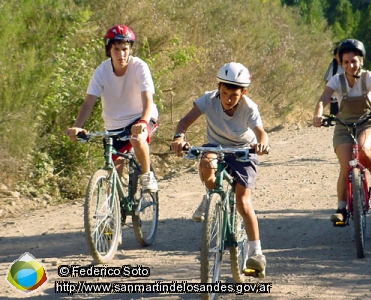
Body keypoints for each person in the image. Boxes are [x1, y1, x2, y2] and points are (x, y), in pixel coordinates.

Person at [170, 62, 269, 273]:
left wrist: (262, 144)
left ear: (244, 92)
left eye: (234, 95)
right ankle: (211, 198)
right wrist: (179, 137)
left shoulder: (249, 107)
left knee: (243, 201)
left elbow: (260, 132)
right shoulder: (208, 99)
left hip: (243, 150)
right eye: (224, 93)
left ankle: (256, 252)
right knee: (207, 162)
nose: (228, 99)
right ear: (218, 88)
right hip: (215, 146)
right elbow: (184, 121)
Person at [66, 24, 158, 192]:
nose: (121, 54)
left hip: (141, 116)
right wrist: (78, 126)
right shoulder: (101, 71)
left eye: (125, 49)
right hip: (114, 124)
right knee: (113, 174)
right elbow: (88, 103)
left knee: (137, 139)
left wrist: (144, 121)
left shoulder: (139, 66)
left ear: (130, 50)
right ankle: (116, 212)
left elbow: (147, 98)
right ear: (109, 50)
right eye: (116, 49)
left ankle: (147, 176)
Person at [313, 39, 371, 223]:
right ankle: (341, 209)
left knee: (364, 149)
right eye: (346, 62)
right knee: (345, 166)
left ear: (361, 61)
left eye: (354, 61)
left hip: (368, 123)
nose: (350, 65)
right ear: (341, 63)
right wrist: (318, 115)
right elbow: (323, 99)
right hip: (343, 125)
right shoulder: (336, 80)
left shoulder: (369, 77)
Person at [324, 45, 344, 115]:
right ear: (335, 56)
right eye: (338, 55)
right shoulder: (333, 67)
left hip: (348, 98)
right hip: (335, 98)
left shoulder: (348, 65)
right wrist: (328, 95)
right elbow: (327, 81)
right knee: (335, 119)